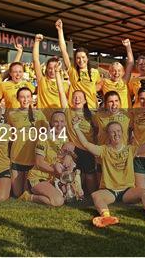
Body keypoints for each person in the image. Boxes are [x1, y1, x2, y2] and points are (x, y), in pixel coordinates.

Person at [73, 119, 145, 228]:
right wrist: (76, 127)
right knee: (95, 195)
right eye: (112, 132)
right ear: (108, 135)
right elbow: (85, 144)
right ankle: (106, 217)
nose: (116, 134)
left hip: (127, 191)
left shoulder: (130, 149)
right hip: (110, 191)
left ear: (122, 133)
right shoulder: (103, 150)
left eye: (118, 131)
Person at [56, 61, 98, 195]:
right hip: (73, 150)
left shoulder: (91, 115)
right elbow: (61, 92)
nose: (77, 99)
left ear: (85, 101)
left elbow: (97, 132)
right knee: (75, 176)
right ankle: (75, 195)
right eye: (74, 97)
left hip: (88, 150)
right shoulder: (68, 112)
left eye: (80, 98)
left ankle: (91, 196)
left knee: (90, 176)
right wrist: (57, 73)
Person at [21, 111, 75, 206]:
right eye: (56, 122)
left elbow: (72, 152)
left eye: (62, 121)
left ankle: (57, 190)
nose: (59, 125)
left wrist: (69, 156)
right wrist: (59, 174)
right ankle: (28, 196)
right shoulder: (43, 138)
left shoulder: (65, 139)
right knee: (58, 201)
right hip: (39, 177)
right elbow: (39, 163)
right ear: (51, 123)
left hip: (54, 179)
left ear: (66, 123)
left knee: (73, 196)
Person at [7, 87, 48, 197]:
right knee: (17, 193)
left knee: (27, 192)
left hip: (32, 159)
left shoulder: (39, 114)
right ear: (18, 99)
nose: (25, 100)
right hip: (17, 157)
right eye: (22, 97)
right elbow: (10, 134)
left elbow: (48, 132)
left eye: (28, 97)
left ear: (32, 98)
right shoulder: (12, 114)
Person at [56, 19, 102, 109]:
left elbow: (100, 84)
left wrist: (94, 88)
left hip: (91, 110)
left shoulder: (95, 72)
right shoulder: (72, 71)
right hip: (74, 109)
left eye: (83, 57)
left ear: (87, 58)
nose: (81, 60)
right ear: (75, 60)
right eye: (78, 58)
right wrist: (60, 30)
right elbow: (63, 50)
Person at [32, 34, 69, 118]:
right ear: (46, 69)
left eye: (55, 68)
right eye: (50, 68)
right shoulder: (42, 80)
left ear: (59, 68)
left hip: (58, 121)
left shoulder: (65, 85)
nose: (52, 70)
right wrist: (37, 42)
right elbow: (36, 60)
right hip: (42, 120)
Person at [101, 39, 134, 109]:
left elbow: (131, 63)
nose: (116, 73)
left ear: (123, 72)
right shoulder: (104, 82)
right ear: (109, 72)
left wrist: (128, 46)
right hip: (111, 116)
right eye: (114, 71)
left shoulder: (124, 81)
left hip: (126, 116)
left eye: (119, 71)